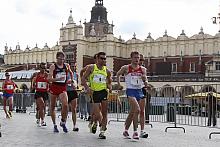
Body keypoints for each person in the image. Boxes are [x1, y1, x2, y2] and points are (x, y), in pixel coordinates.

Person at [116, 51, 148, 140]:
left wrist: (145, 81)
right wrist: (119, 84)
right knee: (137, 109)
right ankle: (135, 132)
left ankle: (126, 130)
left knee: (133, 112)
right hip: (130, 91)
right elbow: (118, 74)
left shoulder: (143, 69)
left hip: (139, 91)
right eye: (135, 57)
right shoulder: (126, 68)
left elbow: (146, 82)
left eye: (138, 58)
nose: (137, 59)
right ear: (131, 58)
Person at [82, 52, 112, 139]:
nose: (103, 60)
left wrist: (110, 87)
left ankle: (102, 132)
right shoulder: (91, 68)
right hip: (94, 92)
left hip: (103, 92)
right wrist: (87, 88)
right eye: (101, 58)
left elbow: (109, 81)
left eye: (104, 58)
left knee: (104, 112)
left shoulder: (107, 71)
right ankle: (96, 123)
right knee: (97, 112)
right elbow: (83, 78)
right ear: (97, 59)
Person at [48, 51, 73, 133]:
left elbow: (70, 73)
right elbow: (49, 79)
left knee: (65, 105)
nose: (62, 61)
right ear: (57, 58)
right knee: (52, 107)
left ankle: (63, 121)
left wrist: (70, 80)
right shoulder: (53, 66)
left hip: (62, 87)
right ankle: (55, 124)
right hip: (54, 87)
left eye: (63, 59)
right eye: (60, 59)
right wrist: (57, 79)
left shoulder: (66, 66)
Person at [32, 63, 49, 127]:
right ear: (40, 68)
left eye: (45, 68)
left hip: (45, 93)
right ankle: (42, 121)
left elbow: (50, 82)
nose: (44, 69)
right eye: (42, 68)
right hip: (38, 92)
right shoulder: (36, 75)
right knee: (42, 105)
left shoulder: (47, 75)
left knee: (43, 108)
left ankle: (39, 118)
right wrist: (34, 85)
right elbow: (33, 84)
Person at [66, 64, 79, 132]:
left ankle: (74, 125)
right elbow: (62, 83)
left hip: (73, 91)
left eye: (74, 67)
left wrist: (76, 86)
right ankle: (64, 123)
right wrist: (67, 82)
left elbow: (77, 84)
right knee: (66, 109)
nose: (73, 68)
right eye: (72, 66)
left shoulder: (76, 75)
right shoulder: (66, 74)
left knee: (74, 109)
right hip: (66, 92)